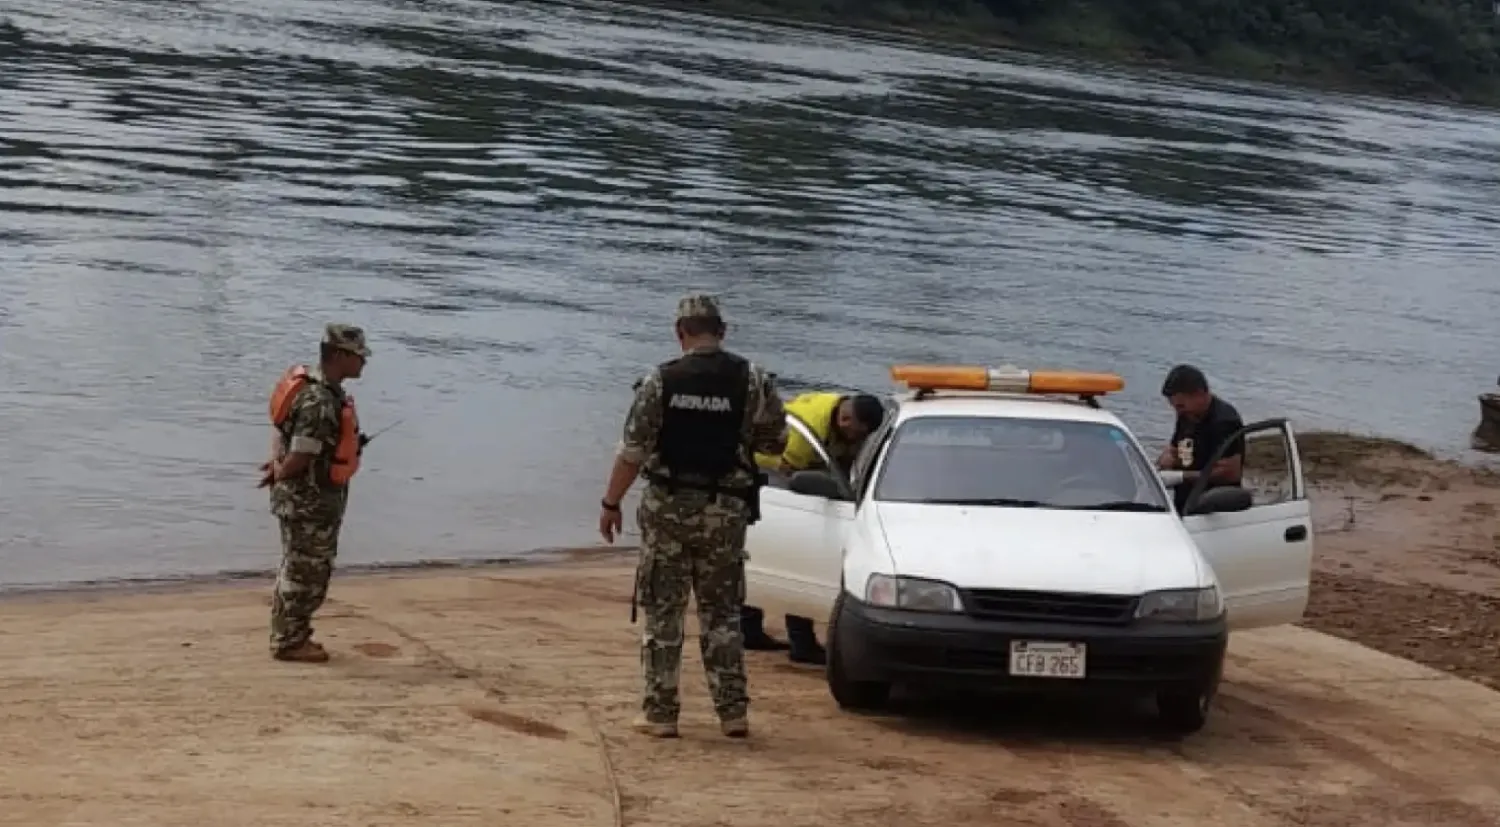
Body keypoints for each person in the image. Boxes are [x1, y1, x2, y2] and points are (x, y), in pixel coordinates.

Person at [597, 294, 787, 740]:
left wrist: (610, 504)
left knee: (664, 611)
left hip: (668, 509)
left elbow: (632, 452)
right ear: (721, 331)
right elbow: (776, 442)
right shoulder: (753, 379)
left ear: (679, 333)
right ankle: (732, 712)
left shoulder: (660, 382)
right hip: (725, 511)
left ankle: (661, 714)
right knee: (722, 612)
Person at [743, 390, 886, 666]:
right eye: (858, 434)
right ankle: (793, 639)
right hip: (769, 473)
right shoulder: (802, 436)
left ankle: (758, 629)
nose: (858, 439)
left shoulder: (841, 415)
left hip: (796, 470)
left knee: (774, 551)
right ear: (845, 421)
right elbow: (793, 475)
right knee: (788, 547)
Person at [260, 323, 370, 663]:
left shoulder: (314, 389)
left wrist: (277, 467)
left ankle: (291, 635)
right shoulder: (320, 401)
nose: (363, 363)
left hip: (306, 499)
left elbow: (282, 433)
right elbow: (302, 453)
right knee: (305, 573)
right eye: (358, 356)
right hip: (308, 503)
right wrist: (280, 470)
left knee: (299, 568)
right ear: (339, 355)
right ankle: (289, 642)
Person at [1156, 364, 1245, 513]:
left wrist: (1181, 477)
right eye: (1175, 406)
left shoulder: (1224, 421)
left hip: (1214, 508)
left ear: (1200, 394)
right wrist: (1167, 458)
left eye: (1181, 406)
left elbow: (1230, 473)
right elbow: (1179, 448)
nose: (1178, 411)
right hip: (1184, 503)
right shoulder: (1187, 415)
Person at [754, 391, 885, 476]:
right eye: (858, 434)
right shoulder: (807, 437)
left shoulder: (838, 402)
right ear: (844, 421)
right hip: (763, 454)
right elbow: (788, 470)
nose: (861, 440)